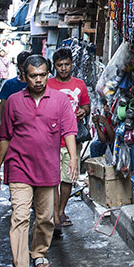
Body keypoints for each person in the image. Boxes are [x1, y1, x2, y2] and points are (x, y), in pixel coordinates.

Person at [0, 55, 78, 267]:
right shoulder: (13, 102)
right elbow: (5, 138)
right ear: (24, 76)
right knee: (19, 216)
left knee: (45, 218)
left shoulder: (60, 100)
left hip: (47, 168)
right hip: (18, 166)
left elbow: (69, 131)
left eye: (42, 75)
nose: (38, 80)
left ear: (48, 74)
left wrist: (73, 159)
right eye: (33, 76)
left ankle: (38, 251)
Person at [47, 47, 91, 230]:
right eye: (60, 65)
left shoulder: (79, 85)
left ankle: (60, 211)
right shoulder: (48, 84)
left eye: (66, 64)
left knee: (68, 178)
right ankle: (55, 215)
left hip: (72, 140)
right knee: (53, 179)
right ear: (54, 66)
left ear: (72, 64)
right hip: (51, 140)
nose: (63, 68)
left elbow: (86, 106)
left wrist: (83, 111)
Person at [0, 52, 32, 122]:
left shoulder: (36, 84)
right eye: (22, 67)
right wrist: (0, 122)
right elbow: (3, 104)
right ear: (18, 66)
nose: (25, 70)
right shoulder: (9, 84)